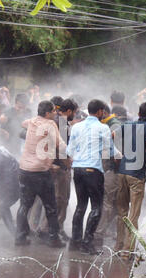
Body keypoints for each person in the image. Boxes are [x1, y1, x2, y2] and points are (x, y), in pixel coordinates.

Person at [67, 99, 121, 255]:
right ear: (99, 112)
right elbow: (110, 151)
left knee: (81, 205)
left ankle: (75, 241)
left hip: (77, 170)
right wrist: (119, 156)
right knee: (97, 207)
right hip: (93, 171)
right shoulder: (103, 128)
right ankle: (87, 243)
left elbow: (70, 151)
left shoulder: (76, 127)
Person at [116, 102, 146, 259]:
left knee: (122, 211)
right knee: (134, 214)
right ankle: (127, 251)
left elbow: (113, 136)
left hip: (122, 172)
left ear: (138, 112)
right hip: (136, 175)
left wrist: (121, 154)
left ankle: (118, 246)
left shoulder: (127, 125)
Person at [15, 100, 67, 248]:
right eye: (53, 111)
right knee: (50, 206)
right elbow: (60, 145)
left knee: (24, 205)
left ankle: (20, 237)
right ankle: (54, 239)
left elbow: (23, 123)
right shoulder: (51, 125)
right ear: (47, 113)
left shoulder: (31, 121)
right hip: (41, 172)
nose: (56, 113)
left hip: (25, 169)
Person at [36, 98, 77, 242]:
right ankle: (49, 229)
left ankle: (53, 229)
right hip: (60, 167)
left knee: (57, 200)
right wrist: (67, 164)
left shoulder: (54, 122)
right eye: (74, 112)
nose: (75, 115)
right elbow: (61, 148)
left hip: (52, 166)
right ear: (69, 111)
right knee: (60, 200)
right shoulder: (62, 123)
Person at [94, 104, 123, 245]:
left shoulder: (114, 125)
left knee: (108, 202)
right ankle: (105, 231)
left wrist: (108, 167)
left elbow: (113, 150)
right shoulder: (110, 124)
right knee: (113, 203)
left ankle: (99, 232)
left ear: (103, 112)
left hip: (113, 170)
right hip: (114, 170)